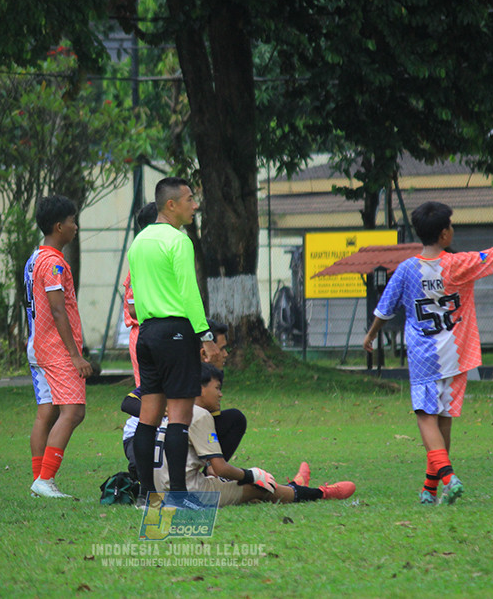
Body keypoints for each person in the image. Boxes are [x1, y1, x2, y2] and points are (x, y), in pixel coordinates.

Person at [363, 201, 493, 506]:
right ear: (445, 233)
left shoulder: (406, 269)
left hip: (423, 358)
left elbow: (384, 309)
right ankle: (430, 490)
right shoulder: (460, 263)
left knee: (425, 418)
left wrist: (370, 336)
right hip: (457, 357)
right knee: (443, 420)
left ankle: (449, 478)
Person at [127, 177, 221, 507]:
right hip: (176, 332)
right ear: (171, 205)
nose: (195, 205)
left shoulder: (138, 243)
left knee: (149, 417)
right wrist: (205, 335)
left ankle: (144, 494)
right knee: (179, 417)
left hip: (147, 334)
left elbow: (136, 299)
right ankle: (179, 496)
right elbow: (189, 293)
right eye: (190, 199)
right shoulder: (178, 241)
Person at [151, 364, 356, 506]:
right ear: (198, 388)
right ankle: (321, 493)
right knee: (259, 488)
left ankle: (293, 487)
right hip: (190, 494)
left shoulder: (172, 410)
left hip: (162, 492)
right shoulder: (199, 414)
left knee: (243, 488)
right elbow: (220, 468)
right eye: (217, 388)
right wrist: (253, 475)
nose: (221, 394)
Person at [25, 195, 92, 499]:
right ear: (58, 226)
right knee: (74, 412)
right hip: (56, 349)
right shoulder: (52, 263)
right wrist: (75, 355)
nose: (75, 227)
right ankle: (45, 478)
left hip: (38, 345)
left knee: (47, 412)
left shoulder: (35, 258)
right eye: (72, 221)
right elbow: (57, 310)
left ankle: (39, 480)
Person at [122, 318, 244, 478]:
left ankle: (212, 473)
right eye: (221, 349)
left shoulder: (212, 376)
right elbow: (127, 403)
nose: (225, 354)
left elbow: (210, 421)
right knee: (146, 467)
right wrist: (160, 411)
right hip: (147, 433)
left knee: (235, 419)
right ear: (204, 352)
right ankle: (141, 481)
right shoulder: (174, 368)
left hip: (182, 431)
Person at [123, 202, 162, 387]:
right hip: (144, 331)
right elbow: (133, 309)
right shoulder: (140, 258)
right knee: (148, 394)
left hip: (158, 331)